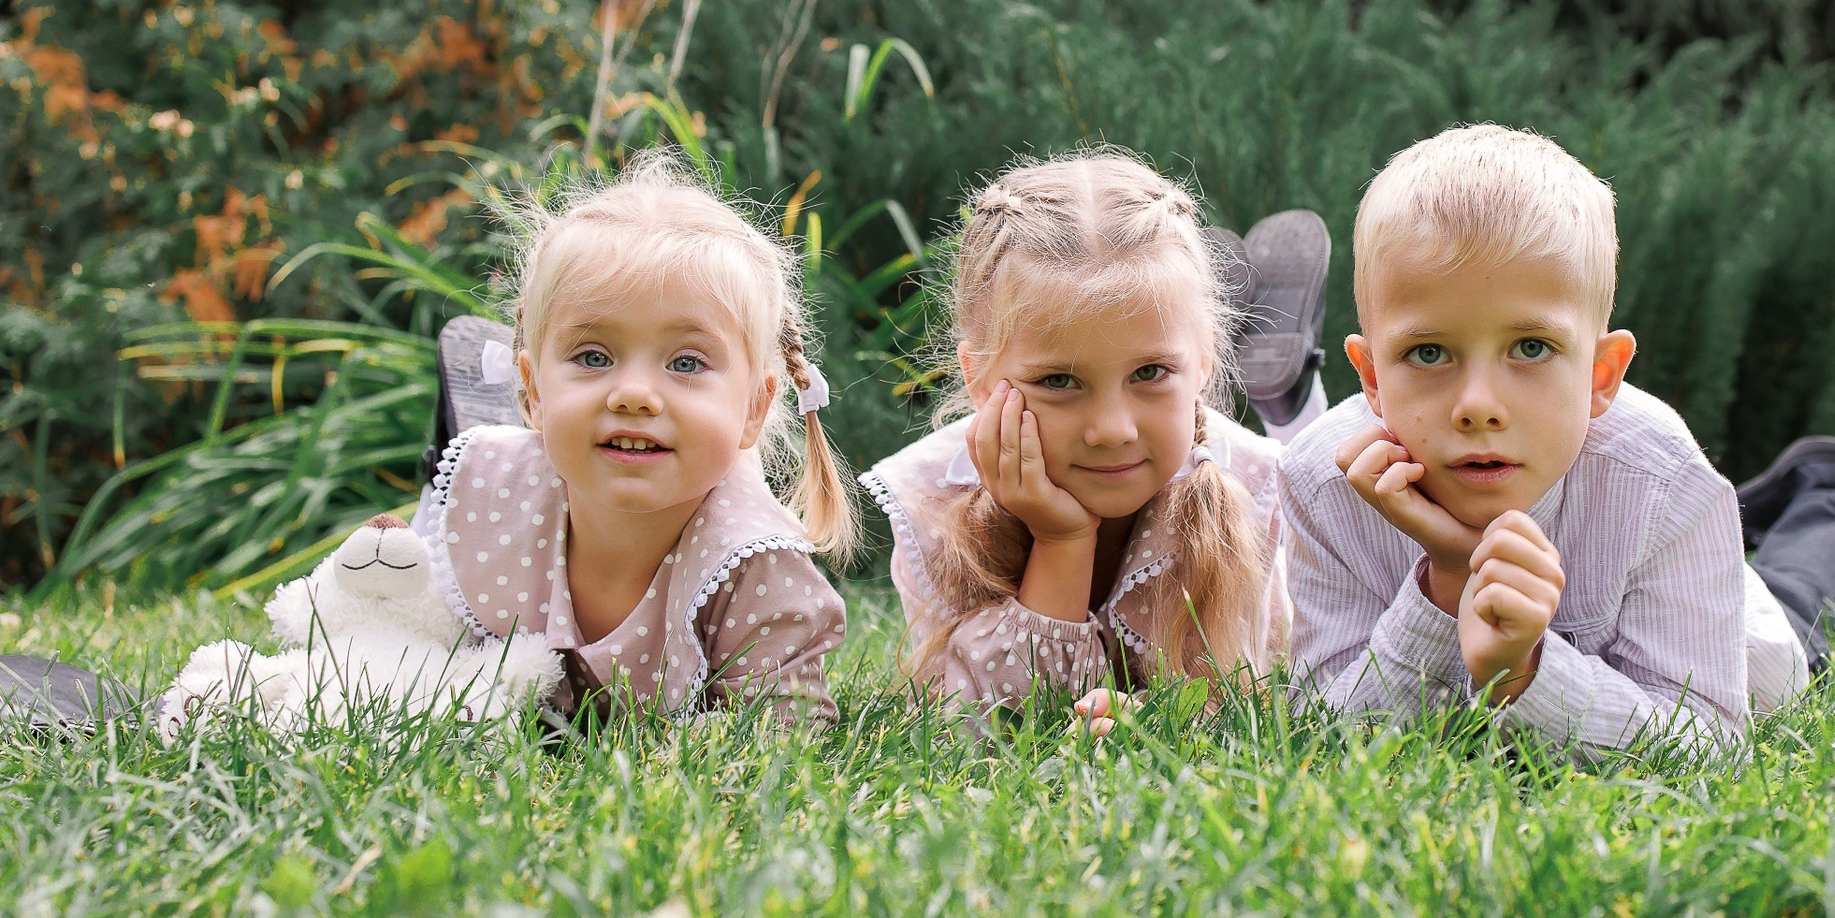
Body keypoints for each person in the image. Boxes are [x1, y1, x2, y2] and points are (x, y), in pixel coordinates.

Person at [1283, 124, 1835, 754]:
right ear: (1371, 378)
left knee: (1795, 622)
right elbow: (1322, 735)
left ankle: (1818, 489)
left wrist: (1522, 674)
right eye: (1428, 352)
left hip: (1746, 624)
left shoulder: (1666, 483)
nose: (1477, 407)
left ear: (1599, 376)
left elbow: (1711, 746)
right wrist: (1448, 582)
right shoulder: (1321, 479)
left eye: (1531, 347)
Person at [409, 152, 854, 723]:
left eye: (687, 363)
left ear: (754, 407)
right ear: (534, 392)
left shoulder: (755, 568)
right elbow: (401, 648)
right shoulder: (485, 499)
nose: (634, 394)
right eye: (594, 356)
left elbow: (783, 736)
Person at [859, 151, 1293, 732]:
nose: (1112, 429)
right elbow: (973, 726)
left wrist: (1163, 723)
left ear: (1205, 363)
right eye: (1058, 381)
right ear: (980, 380)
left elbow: (1267, 700)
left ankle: (1297, 401)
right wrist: (1061, 539)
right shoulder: (934, 500)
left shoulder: (1259, 490)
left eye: (1150, 373)